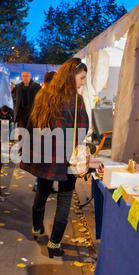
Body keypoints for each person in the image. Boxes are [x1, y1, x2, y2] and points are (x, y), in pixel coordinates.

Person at [20, 58, 88, 258]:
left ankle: (36, 228)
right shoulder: (77, 100)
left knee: (42, 190)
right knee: (64, 199)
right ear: (71, 75)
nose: (83, 82)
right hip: (66, 157)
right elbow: (83, 130)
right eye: (82, 78)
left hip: (44, 156)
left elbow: (33, 124)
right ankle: (55, 243)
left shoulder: (43, 95)